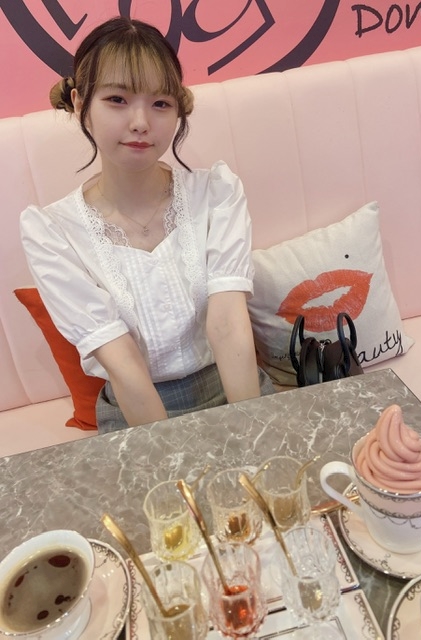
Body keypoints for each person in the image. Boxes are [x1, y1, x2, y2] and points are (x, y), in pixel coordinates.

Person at [20, 16, 274, 433]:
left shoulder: (216, 193)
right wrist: (170, 456)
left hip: (232, 387)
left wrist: (251, 432)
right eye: (117, 99)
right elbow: (122, 363)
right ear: (81, 103)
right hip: (134, 413)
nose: (140, 122)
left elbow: (228, 323)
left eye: (160, 103)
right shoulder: (53, 233)